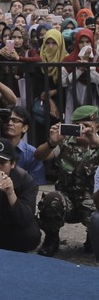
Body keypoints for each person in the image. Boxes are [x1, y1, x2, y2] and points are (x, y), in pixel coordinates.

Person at [34, 106, 99, 257]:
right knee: (51, 200)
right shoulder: (66, 142)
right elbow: (39, 156)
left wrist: (95, 140)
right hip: (67, 199)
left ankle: (93, 238)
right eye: (76, 127)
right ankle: (52, 239)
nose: (81, 130)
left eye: (86, 126)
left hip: (93, 202)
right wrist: (52, 142)